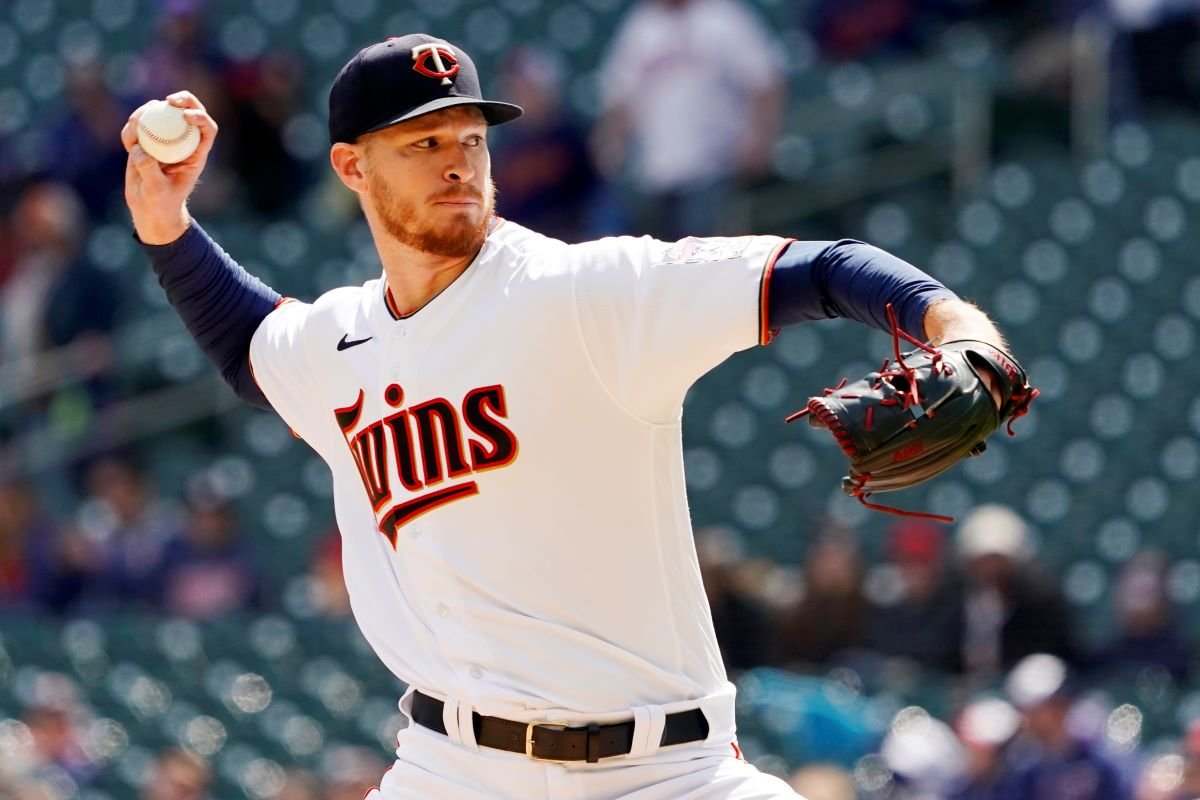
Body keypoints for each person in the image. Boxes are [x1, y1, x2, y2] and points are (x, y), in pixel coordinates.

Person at [121, 33, 1015, 800]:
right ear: (352, 166)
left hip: (666, 769)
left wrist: (956, 328)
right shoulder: (339, 341)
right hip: (456, 767)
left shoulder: (583, 293)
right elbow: (251, 347)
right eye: (423, 141)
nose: (456, 163)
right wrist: (166, 223)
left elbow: (818, 269)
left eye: (470, 138)